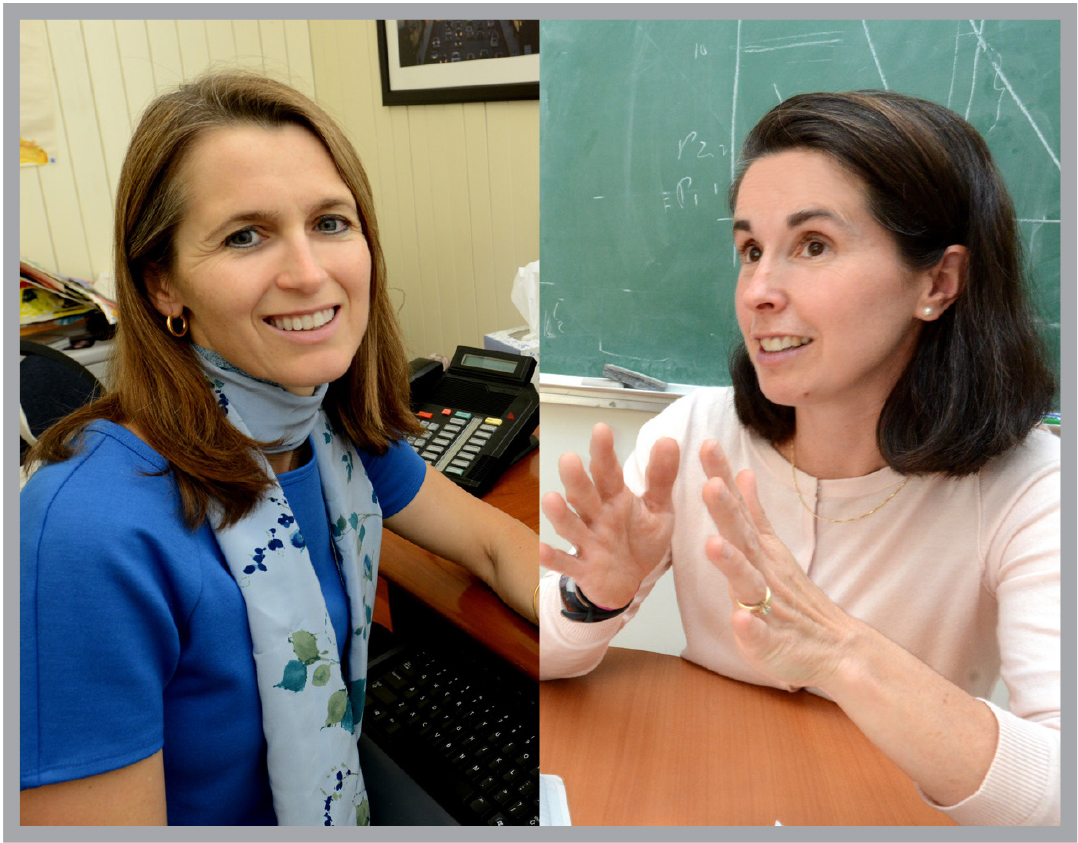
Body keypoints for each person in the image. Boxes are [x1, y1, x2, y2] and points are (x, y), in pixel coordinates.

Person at [20, 72, 539, 826]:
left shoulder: (328, 431)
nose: (308, 272)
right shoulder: (81, 534)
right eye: (245, 235)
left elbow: (494, 544)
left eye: (330, 222)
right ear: (162, 284)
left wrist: (591, 612)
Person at [538, 91, 1059, 826]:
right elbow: (539, 655)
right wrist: (598, 595)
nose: (757, 292)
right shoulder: (695, 434)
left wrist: (845, 655)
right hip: (701, 789)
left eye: (813, 245)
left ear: (937, 282)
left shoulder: (1032, 487)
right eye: (750, 249)